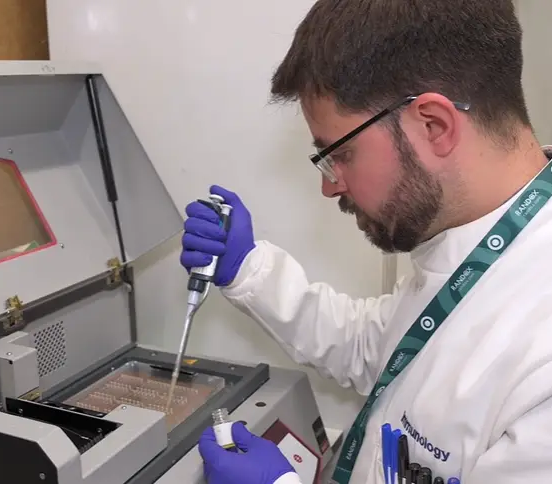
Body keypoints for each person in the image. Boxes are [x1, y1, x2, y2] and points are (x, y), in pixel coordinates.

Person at [183, 1, 552, 483]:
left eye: (340, 154)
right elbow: (378, 349)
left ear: (433, 125)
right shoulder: (472, 241)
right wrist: (248, 268)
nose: (330, 185)